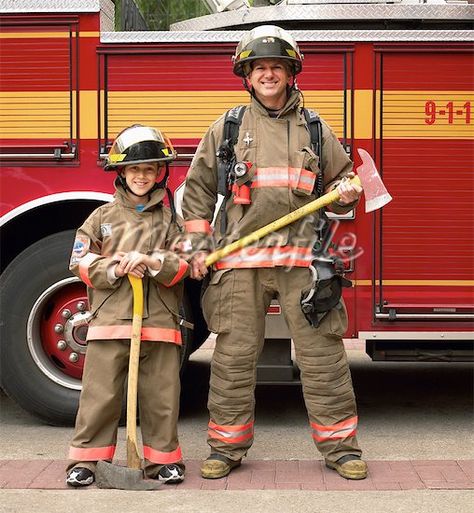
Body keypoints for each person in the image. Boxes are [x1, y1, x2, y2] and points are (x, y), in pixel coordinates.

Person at [182, 25, 367, 480]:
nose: (268, 74)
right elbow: (197, 192)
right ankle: (226, 448)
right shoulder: (227, 127)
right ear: (247, 76)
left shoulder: (317, 129)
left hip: (301, 260)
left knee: (323, 355)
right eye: (259, 68)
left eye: (276, 67)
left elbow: (345, 185)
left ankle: (341, 448)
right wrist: (200, 246)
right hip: (239, 263)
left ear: (290, 74)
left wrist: (347, 192)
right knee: (233, 358)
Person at [66, 125, 190, 487]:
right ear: (121, 172)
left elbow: (185, 263)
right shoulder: (101, 218)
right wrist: (116, 266)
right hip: (111, 322)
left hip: (160, 324)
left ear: (159, 174)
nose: (141, 176)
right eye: (134, 169)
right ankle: (87, 462)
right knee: (100, 396)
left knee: (161, 397)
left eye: (149, 169)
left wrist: (152, 262)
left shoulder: (170, 221)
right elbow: (79, 262)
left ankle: (162, 462)